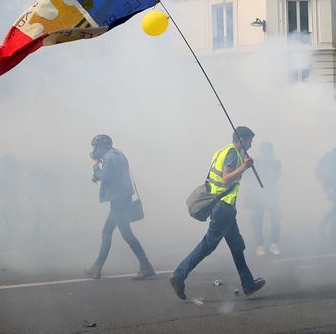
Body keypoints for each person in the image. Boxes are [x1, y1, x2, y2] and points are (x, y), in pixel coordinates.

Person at [169, 126, 266, 300]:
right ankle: (179, 275)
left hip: (223, 206)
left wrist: (244, 162)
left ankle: (248, 284)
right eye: (250, 140)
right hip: (224, 207)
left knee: (236, 246)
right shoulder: (232, 154)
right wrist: (244, 167)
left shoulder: (224, 151)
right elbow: (226, 178)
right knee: (208, 244)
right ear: (242, 140)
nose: (251, 144)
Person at [85, 134, 155, 280]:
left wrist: (96, 169)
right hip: (121, 198)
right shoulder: (116, 154)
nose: (94, 150)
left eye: (96, 146)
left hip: (119, 200)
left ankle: (145, 266)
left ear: (104, 146)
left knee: (124, 234)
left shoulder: (110, 157)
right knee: (109, 232)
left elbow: (107, 177)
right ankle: (97, 267)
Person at [245, 141, 282, 256]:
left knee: (276, 219)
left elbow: (275, 176)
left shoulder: (276, 163)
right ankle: (259, 245)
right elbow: (247, 176)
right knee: (257, 221)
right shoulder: (254, 162)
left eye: (269, 152)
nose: (267, 154)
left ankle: (274, 244)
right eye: (265, 152)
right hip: (257, 195)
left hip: (271, 195)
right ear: (261, 152)